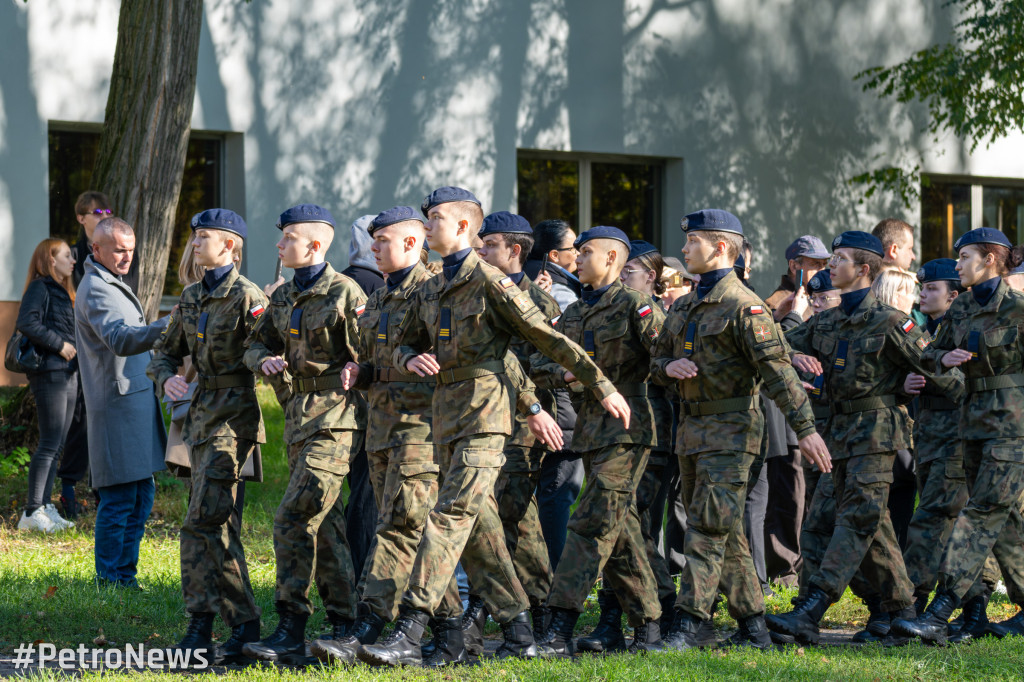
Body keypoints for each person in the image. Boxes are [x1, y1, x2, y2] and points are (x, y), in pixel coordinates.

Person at [357, 187, 628, 667]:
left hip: (486, 416)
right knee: (481, 531)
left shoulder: (490, 282)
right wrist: (407, 356)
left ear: (463, 226)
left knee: (449, 516)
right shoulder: (433, 285)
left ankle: (412, 627)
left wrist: (601, 384)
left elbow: (545, 337)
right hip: (444, 420)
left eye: (436, 217)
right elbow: (401, 342)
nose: (428, 224)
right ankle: (520, 630)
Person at [651, 209, 830, 651]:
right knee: (722, 530)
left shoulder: (745, 306)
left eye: (693, 241)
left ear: (722, 248)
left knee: (708, 528)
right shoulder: (688, 304)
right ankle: (754, 626)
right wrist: (668, 367)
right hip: (692, 432)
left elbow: (778, 373)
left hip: (733, 433)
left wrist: (805, 429)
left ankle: (689, 624)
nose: (685, 249)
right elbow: (654, 361)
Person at [769, 230, 955, 646]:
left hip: (876, 437)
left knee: (856, 521)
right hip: (837, 435)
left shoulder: (890, 320)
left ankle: (813, 608)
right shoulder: (828, 320)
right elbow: (771, 345)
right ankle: (901, 613)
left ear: (864, 269)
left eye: (839, 260)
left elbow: (936, 365)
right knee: (837, 526)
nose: (831, 265)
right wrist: (791, 352)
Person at [313, 206, 457, 665]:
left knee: (400, 526)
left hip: (421, 429)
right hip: (381, 430)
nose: (373, 249)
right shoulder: (377, 299)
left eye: (383, 242)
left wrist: (409, 358)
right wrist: (364, 368)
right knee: (407, 528)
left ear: (413, 243)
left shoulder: (434, 291)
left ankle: (369, 624)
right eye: (372, 241)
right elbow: (385, 357)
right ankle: (452, 630)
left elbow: (450, 354)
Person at [241, 204, 367, 662]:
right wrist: (264, 361)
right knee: (326, 522)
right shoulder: (281, 296)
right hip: (297, 419)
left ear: (316, 244)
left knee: (292, 517)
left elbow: (372, 352)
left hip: (336, 420)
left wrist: (361, 366)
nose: (279, 245)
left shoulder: (345, 292)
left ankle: (291, 623)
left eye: (288, 238)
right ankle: (345, 624)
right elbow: (255, 344)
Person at [532, 228, 666, 657]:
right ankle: (649, 627)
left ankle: (559, 626)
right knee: (621, 530)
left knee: (589, 523)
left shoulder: (634, 305)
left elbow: (665, 355)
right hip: (591, 433)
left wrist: (675, 364)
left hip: (628, 431)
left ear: (611, 259)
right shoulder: (573, 313)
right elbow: (539, 360)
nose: (577, 257)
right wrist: (563, 375)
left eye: (586, 252)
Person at [893, 227, 1024, 642]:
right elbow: (928, 353)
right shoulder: (963, 307)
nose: (957, 265)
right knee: (1007, 524)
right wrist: (942, 357)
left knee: (980, 512)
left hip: (1013, 431)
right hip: (972, 429)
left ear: (989, 259)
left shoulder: (1019, 310)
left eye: (964, 256)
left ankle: (941, 609)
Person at [148, 209, 266, 662]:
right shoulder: (193, 295)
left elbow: (266, 348)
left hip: (232, 423)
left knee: (202, 522)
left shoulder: (248, 296)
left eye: (205, 237)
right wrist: (167, 379)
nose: (195, 243)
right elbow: (164, 352)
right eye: (194, 236)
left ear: (231, 246)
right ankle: (244, 624)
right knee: (216, 525)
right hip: (198, 422)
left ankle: (202, 622)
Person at [579, 239, 676, 653]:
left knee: (624, 523)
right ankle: (627, 615)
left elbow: (665, 360)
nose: (626, 277)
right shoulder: (593, 307)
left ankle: (649, 612)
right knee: (622, 525)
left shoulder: (645, 310)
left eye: (633, 269)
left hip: (646, 430)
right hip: (603, 428)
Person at [473, 211, 563, 644]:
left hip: (521, 424)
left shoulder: (539, 303)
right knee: (498, 517)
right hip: (480, 418)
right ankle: (513, 606)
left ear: (514, 250)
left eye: (488, 245)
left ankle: (533, 608)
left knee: (512, 517)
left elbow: (549, 364)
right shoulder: (482, 293)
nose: (480, 251)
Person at [75, 217, 167, 588]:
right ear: (96, 250)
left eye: (131, 250)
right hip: (116, 408)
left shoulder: (111, 280)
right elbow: (121, 340)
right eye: (118, 250)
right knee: (118, 499)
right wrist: (166, 325)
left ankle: (124, 577)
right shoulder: (96, 287)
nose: (127, 257)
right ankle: (110, 581)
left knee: (141, 495)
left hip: (134, 405)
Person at [897, 260, 975, 639]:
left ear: (954, 295)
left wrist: (930, 373)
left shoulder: (966, 330)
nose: (922, 294)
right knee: (949, 524)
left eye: (931, 289)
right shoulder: (929, 330)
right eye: (922, 288)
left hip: (956, 439)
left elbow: (967, 384)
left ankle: (911, 605)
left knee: (931, 521)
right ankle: (973, 611)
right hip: (928, 438)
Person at [523, 218, 586, 573]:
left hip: (542, 407)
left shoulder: (533, 282)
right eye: (572, 248)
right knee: (557, 496)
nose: (577, 255)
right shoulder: (559, 291)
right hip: (558, 409)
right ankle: (557, 578)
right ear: (553, 255)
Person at [15, 238, 79, 533]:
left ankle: (45, 506)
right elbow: (27, 323)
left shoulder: (64, 291)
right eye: (67, 255)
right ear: (51, 259)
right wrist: (60, 345)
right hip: (50, 372)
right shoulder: (40, 287)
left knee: (59, 445)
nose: (73, 260)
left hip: (67, 373)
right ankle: (31, 512)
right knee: (49, 444)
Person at [340, 214, 385, 584]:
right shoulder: (376, 286)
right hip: (372, 405)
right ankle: (361, 578)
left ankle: (350, 576)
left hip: (338, 407)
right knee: (367, 495)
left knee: (357, 492)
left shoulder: (339, 280)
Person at [764, 235, 830, 322]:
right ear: (794, 266)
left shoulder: (820, 296)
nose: (822, 271)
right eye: (816, 264)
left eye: (824, 264)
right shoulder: (775, 305)